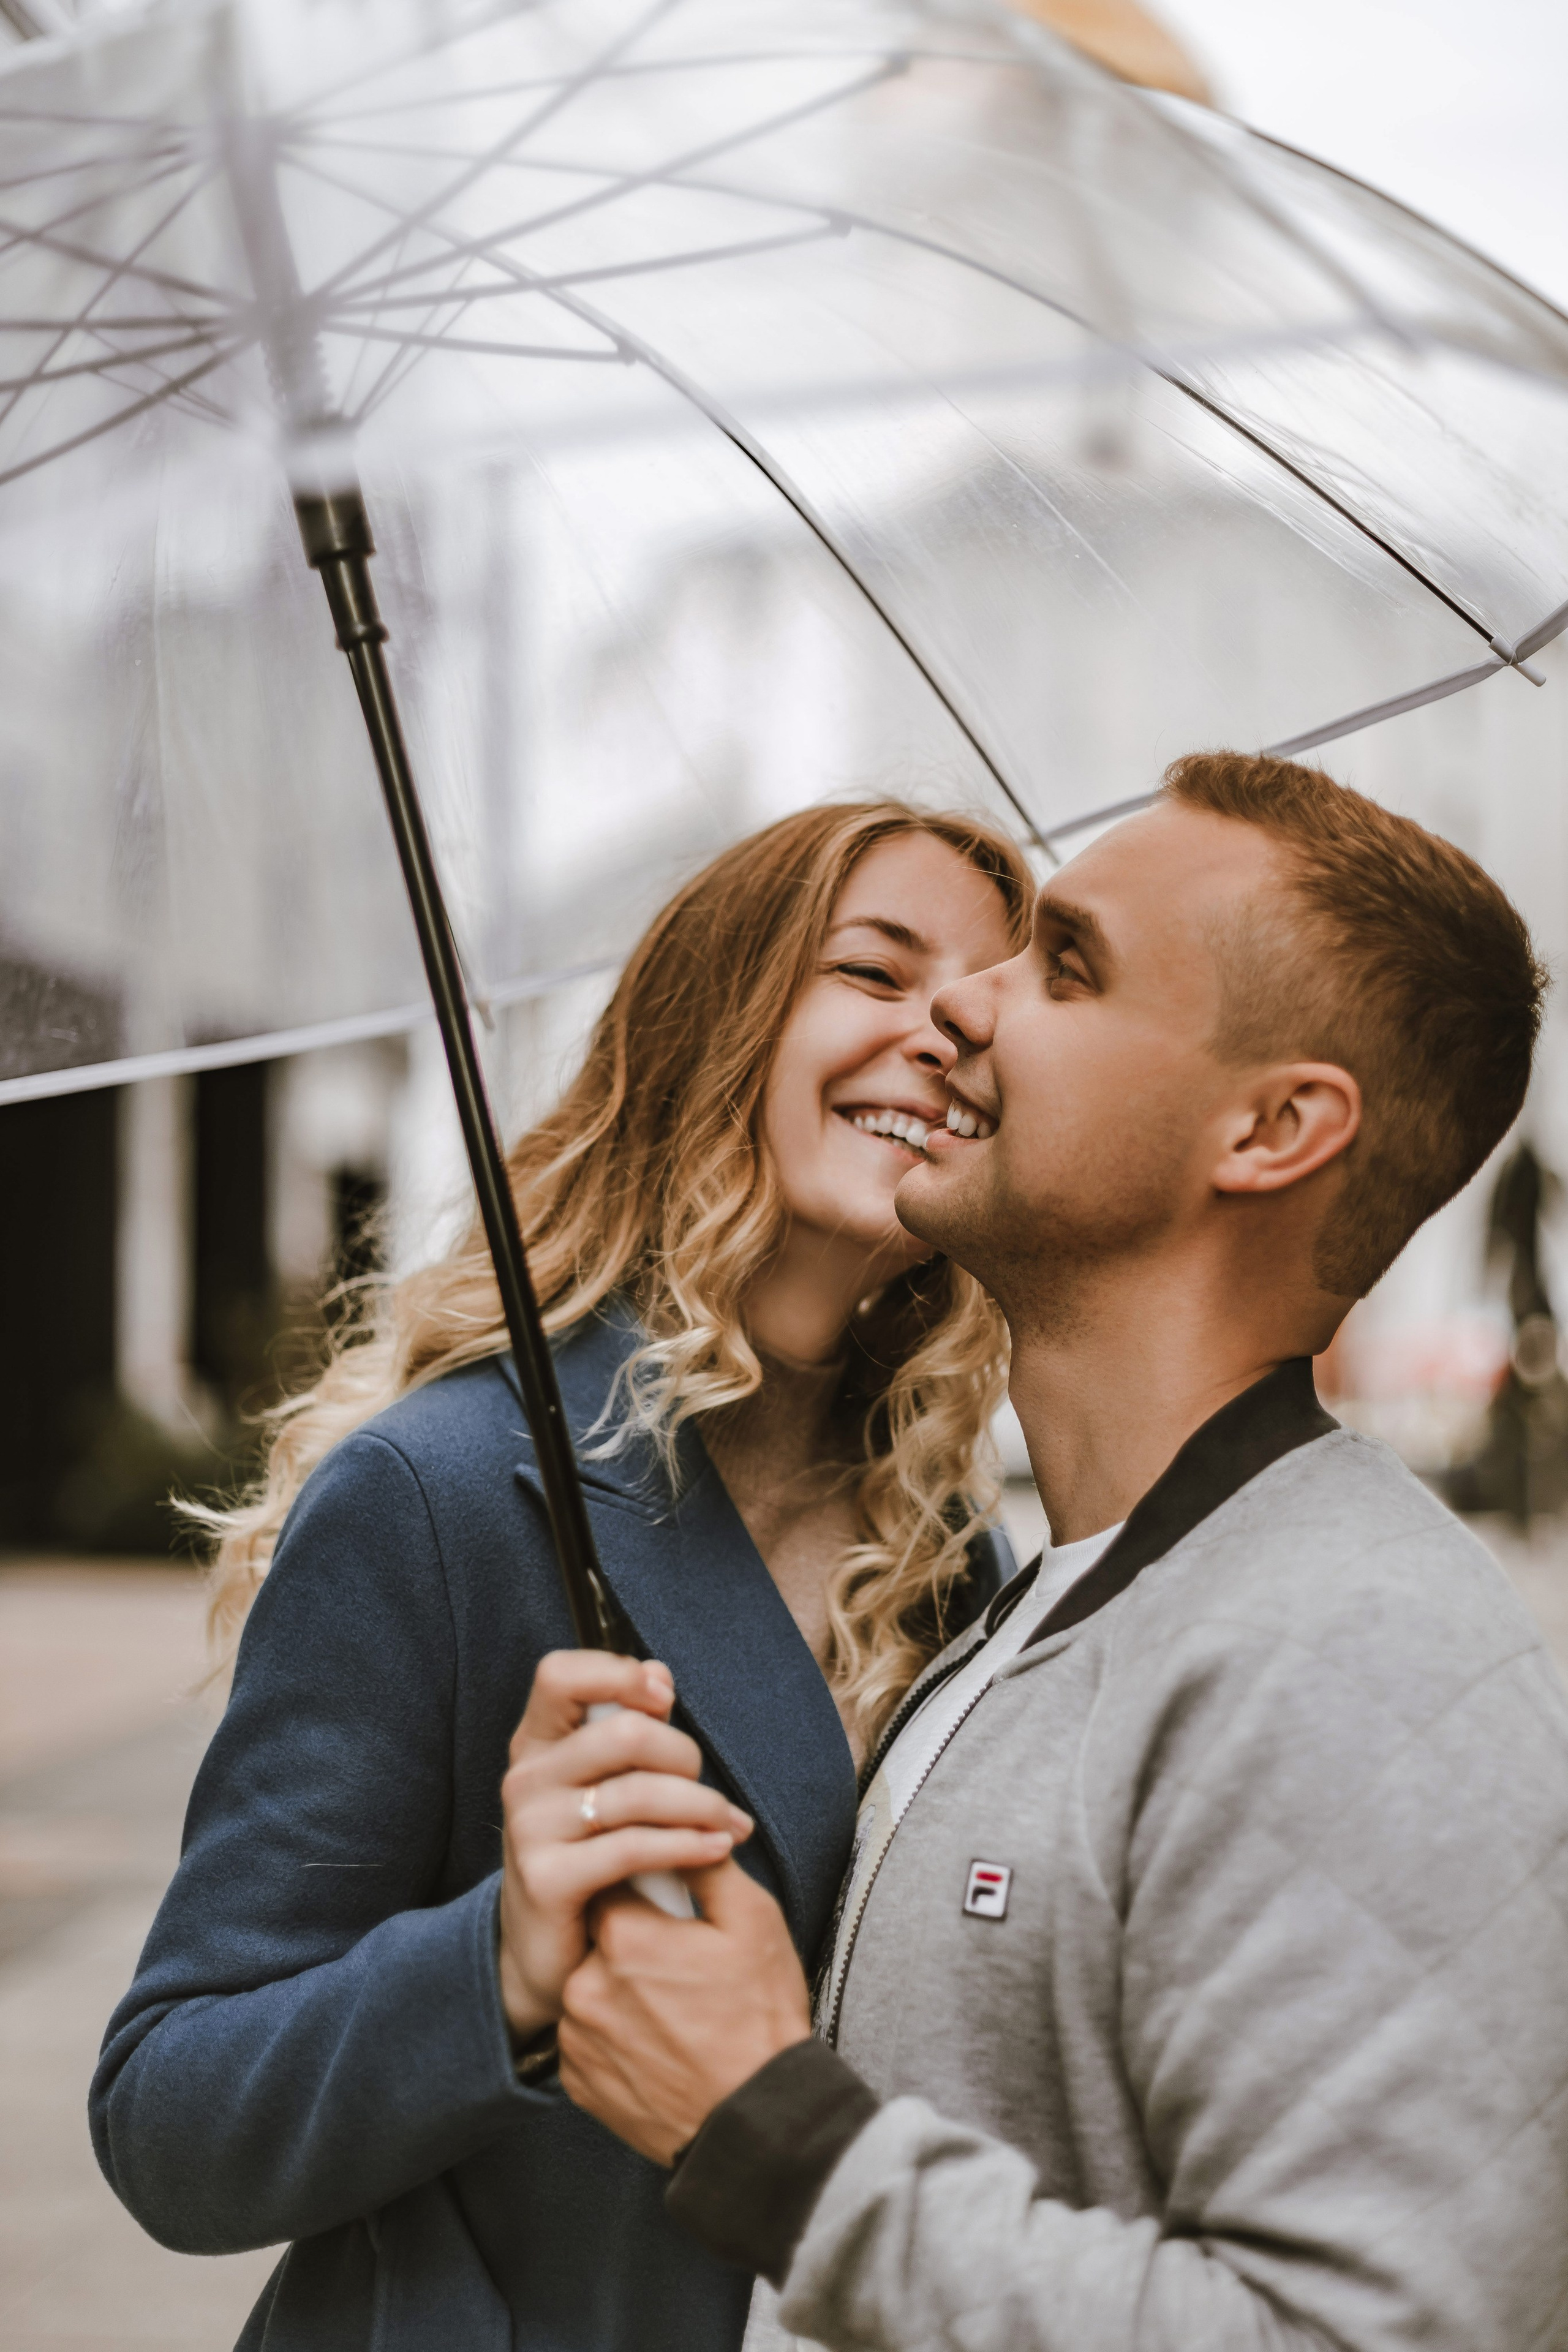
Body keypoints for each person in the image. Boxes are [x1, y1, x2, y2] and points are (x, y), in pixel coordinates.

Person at [552, 752, 1568, 2352]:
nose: (966, 1006)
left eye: (1065, 967)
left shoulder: (1360, 1657)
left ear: (1275, 1126)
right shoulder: (1039, 1596)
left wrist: (776, 2140)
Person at [89, 799, 1036, 2352]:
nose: (940, 1033)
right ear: (714, 1025)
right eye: (872, 972)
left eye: (980, 1007)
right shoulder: (440, 1495)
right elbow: (172, 2118)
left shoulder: (940, 1540)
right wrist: (501, 1960)